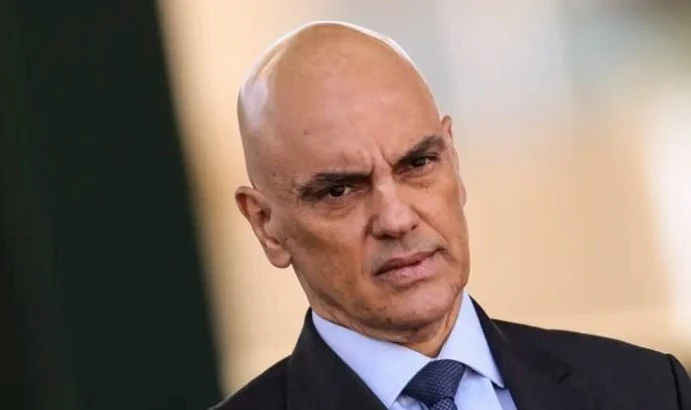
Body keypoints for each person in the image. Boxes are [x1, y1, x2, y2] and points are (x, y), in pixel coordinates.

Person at [211, 21, 691, 410]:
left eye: (418, 163)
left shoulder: (648, 389)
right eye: (340, 190)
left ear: (454, 162)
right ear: (266, 225)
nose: (396, 219)